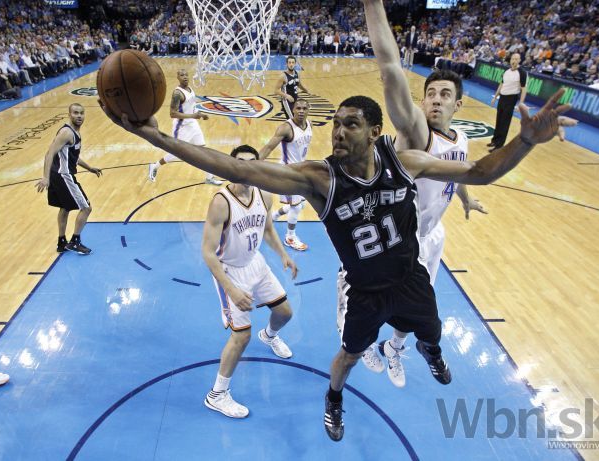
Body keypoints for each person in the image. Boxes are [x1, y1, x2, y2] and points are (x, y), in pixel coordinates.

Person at [100, 83, 575, 441]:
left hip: (410, 279)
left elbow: (479, 172)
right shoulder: (318, 179)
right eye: (336, 123)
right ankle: (333, 398)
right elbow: (236, 168)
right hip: (364, 291)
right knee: (346, 357)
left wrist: (526, 141)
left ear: (374, 131)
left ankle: (430, 351)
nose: (339, 131)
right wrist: (157, 138)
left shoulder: (405, 161)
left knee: (433, 332)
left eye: (350, 124)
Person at [358, 0, 489, 388]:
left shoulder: (460, 136)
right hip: (395, 239)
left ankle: (394, 349)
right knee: (376, 305)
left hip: (430, 235)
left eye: (444, 95)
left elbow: (456, 168)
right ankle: (364, 342)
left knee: (418, 306)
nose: (435, 99)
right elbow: (389, 70)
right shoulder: (417, 132)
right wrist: (373, 5)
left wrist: (466, 198)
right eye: (430, 92)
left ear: (458, 104)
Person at [202, 145, 298, 418]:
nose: (245, 168)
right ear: (230, 166)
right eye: (239, 163)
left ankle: (268, 336)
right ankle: (217, 395)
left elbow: (266, 228)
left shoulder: (263, 193)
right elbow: (208, 253)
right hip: (229, 271)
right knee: (240, 336)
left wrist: (283, 255)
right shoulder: (221, 201)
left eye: (250, 163)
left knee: (284, 312)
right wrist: (231, 289)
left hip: (255, 263)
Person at [36, 103, 102, 254]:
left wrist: (90, 168)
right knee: (86, 208)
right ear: (69, 114)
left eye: (81, 113)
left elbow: (74, 157)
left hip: (58, 174)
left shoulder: (75, 133)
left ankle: (61, 242)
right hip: (63, 175)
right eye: (75, 113)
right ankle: (75, 241)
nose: (79, 116)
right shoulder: (67, 133)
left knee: (65, 208)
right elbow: (49, 153)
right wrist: (45, 177)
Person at [148, 69, 221, 185]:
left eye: (186, 74)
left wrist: (200, 115)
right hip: (181, 127)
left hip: (193, 124)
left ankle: (209, 178)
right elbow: (172, 113)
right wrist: (193, 115)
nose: (185, 77)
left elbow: (191, 106)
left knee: (203, 150)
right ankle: (154, 166)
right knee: (177, 154)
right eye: (182, 75)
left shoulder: (190, 89)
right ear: (177, 77)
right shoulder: (177, 94)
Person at [258, 99, 313, 251]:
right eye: (298, 108)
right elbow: (268, 147)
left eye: (304, 108)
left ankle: (273, 216)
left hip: (301, 171)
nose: (301, 111)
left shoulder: (309, 124)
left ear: (308, 110)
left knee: (300, 204)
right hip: (288, 173)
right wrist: (252, 165)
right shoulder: (286, 128)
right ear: (292, 110)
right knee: (296, 206)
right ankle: (290, 237)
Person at [489, 53, 528, 151]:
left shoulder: (522, 73)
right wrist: (495, 97)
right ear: (510, 60)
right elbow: (501, 84)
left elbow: (524, 89)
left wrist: (521, 104)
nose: (514, 61)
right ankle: (494, 140)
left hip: (511, 99)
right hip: (502, 98)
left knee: (505, 123)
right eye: (512, 59)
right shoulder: (506, 71)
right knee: (499, 120)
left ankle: (499, 146)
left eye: (516, 59)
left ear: (519, 60)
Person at [274, 56, 310, 120]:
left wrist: (306, 90)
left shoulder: (297, 73)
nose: (291, 64)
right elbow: (276, 91)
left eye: (293, 62)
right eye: (289, 62)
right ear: (287, 64)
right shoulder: (283, 76)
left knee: (297, 119)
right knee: (292, 120)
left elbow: (299, 84)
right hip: (287, 101)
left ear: (295, 64)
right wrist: (287, 96)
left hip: (295, 99)